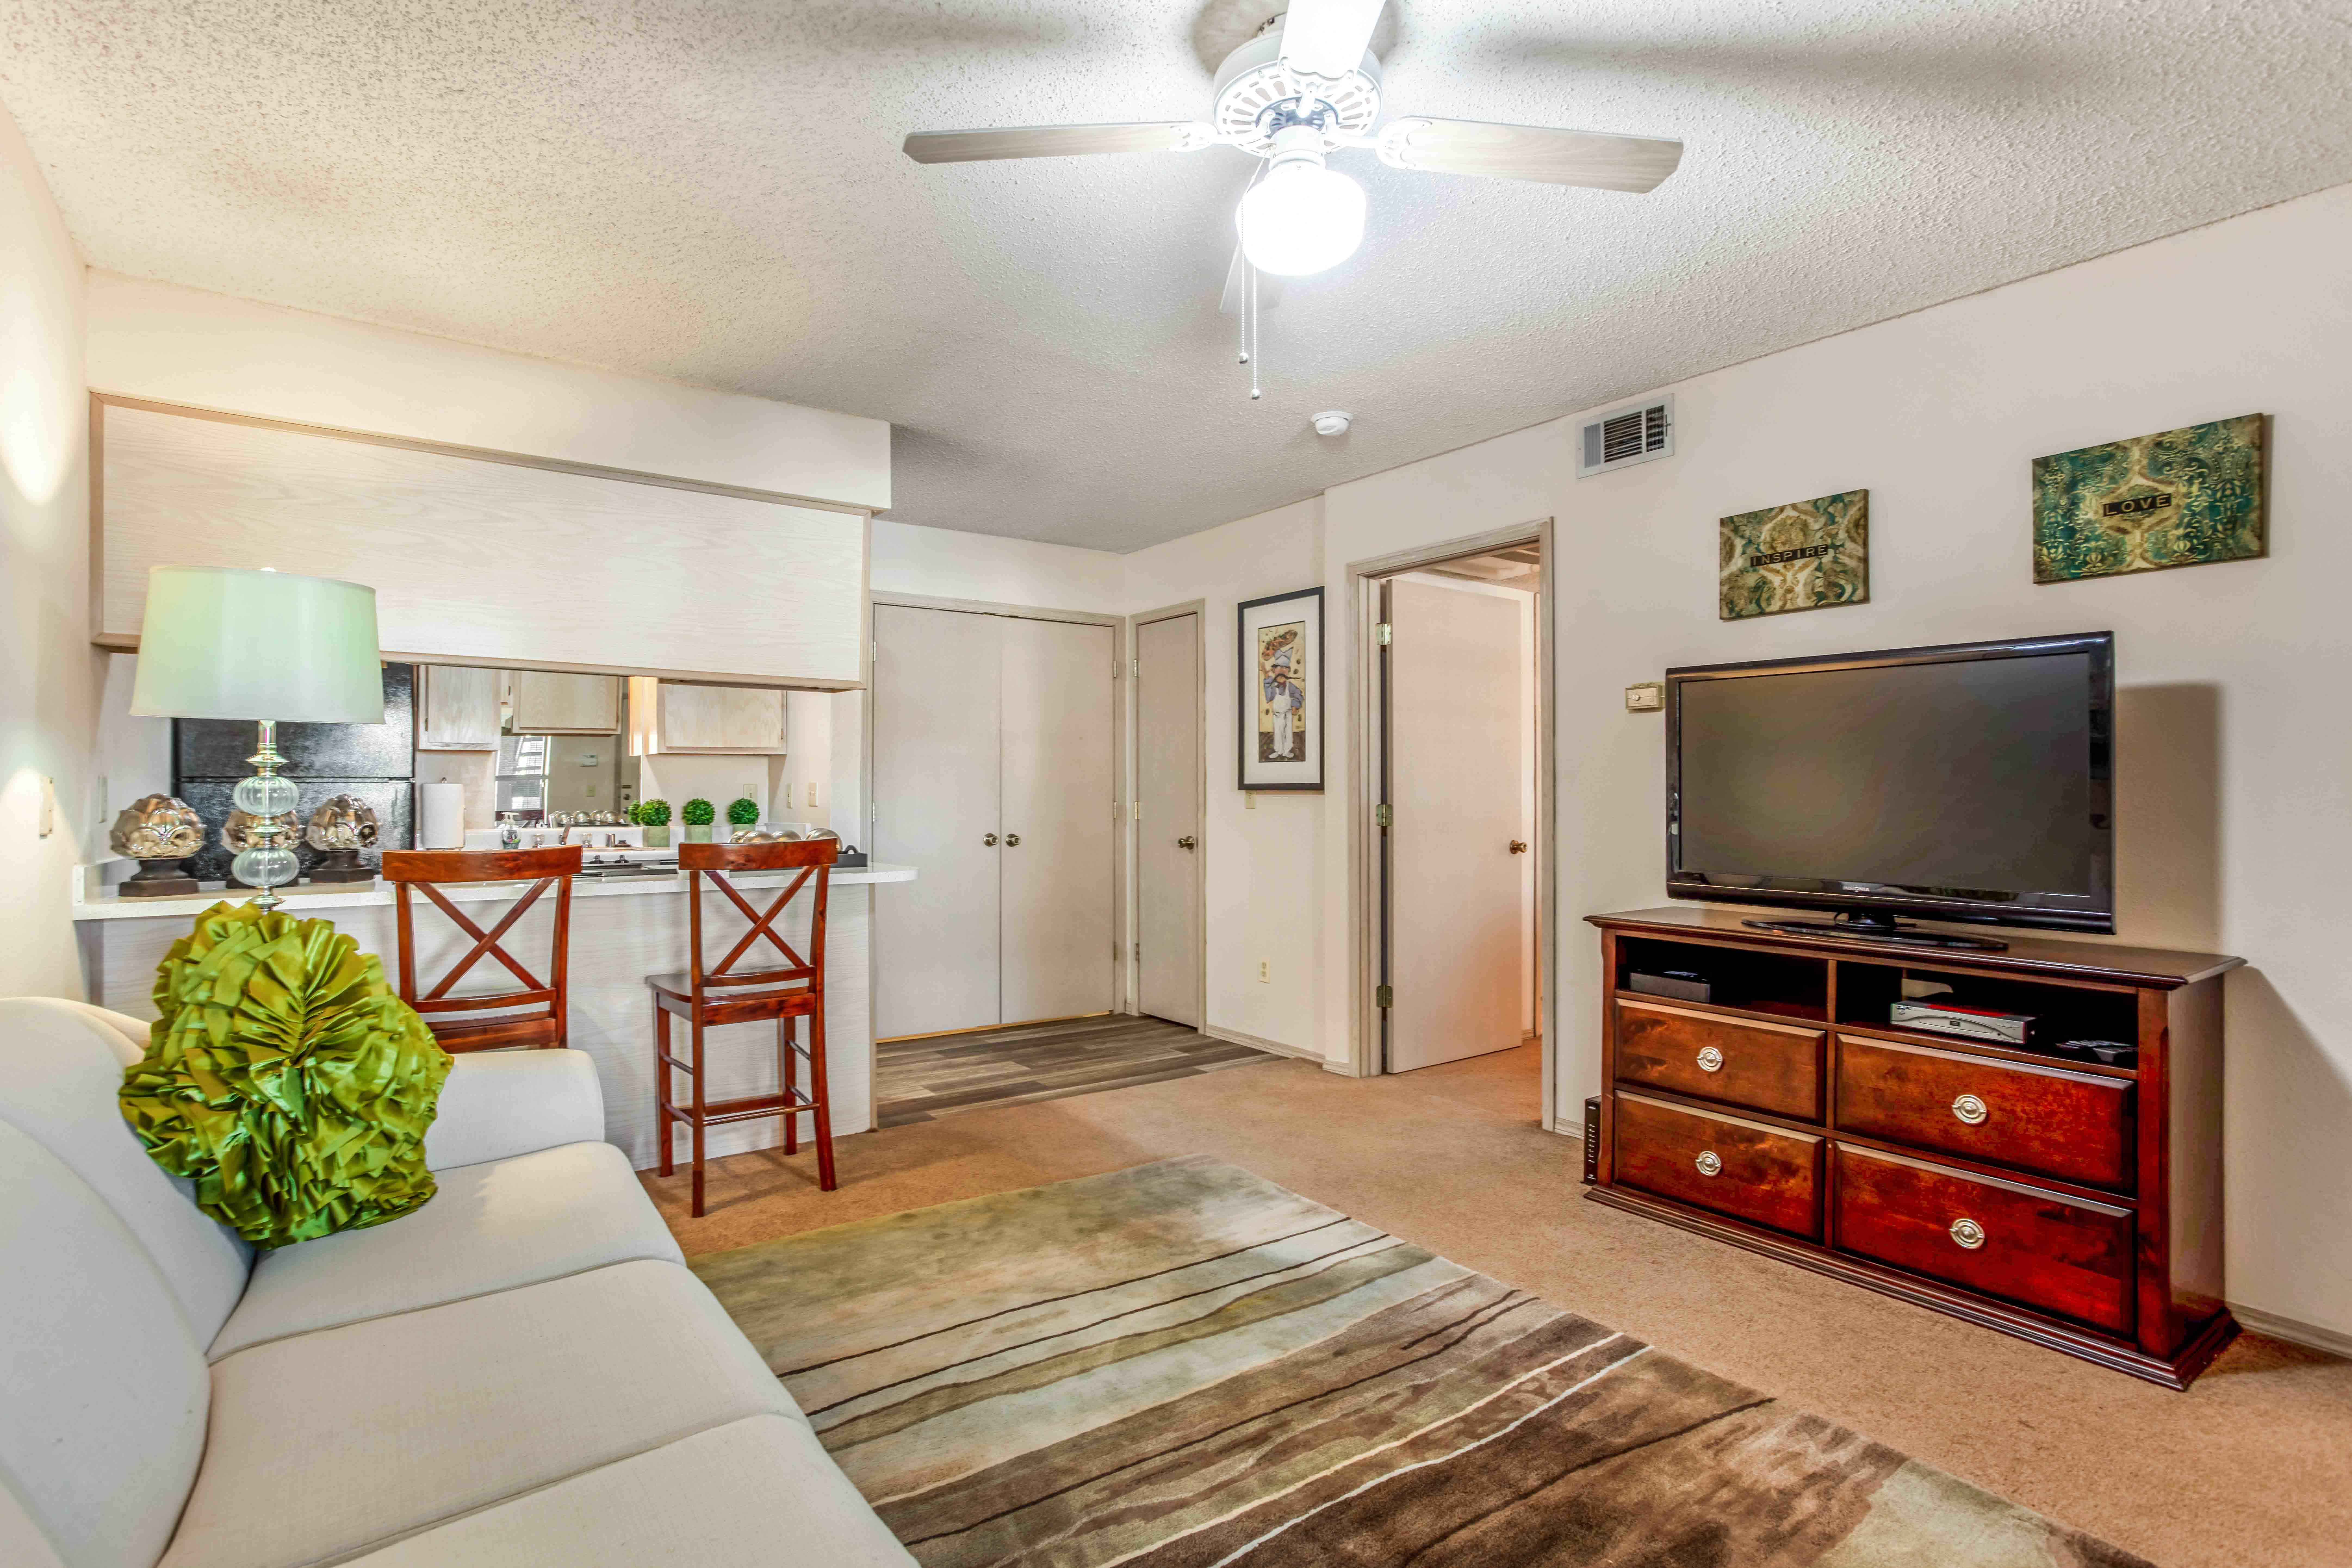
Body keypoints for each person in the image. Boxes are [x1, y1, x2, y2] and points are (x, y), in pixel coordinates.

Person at [1263, 645, 1303, 760]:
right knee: (1278, 733)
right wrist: (1267, 681)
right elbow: (1269, 697)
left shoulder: (1291, 686)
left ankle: (1287, 751)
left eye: (1285, 668)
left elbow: (1298, 695)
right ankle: (1278, 750)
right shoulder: (1272, 686)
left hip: (1288, 714)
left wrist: (1295, 706)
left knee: (1288, 733)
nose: (1282, 671)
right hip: (1278, 715)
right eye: (1279, 668)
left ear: (1289, 671)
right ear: (1274, 671)